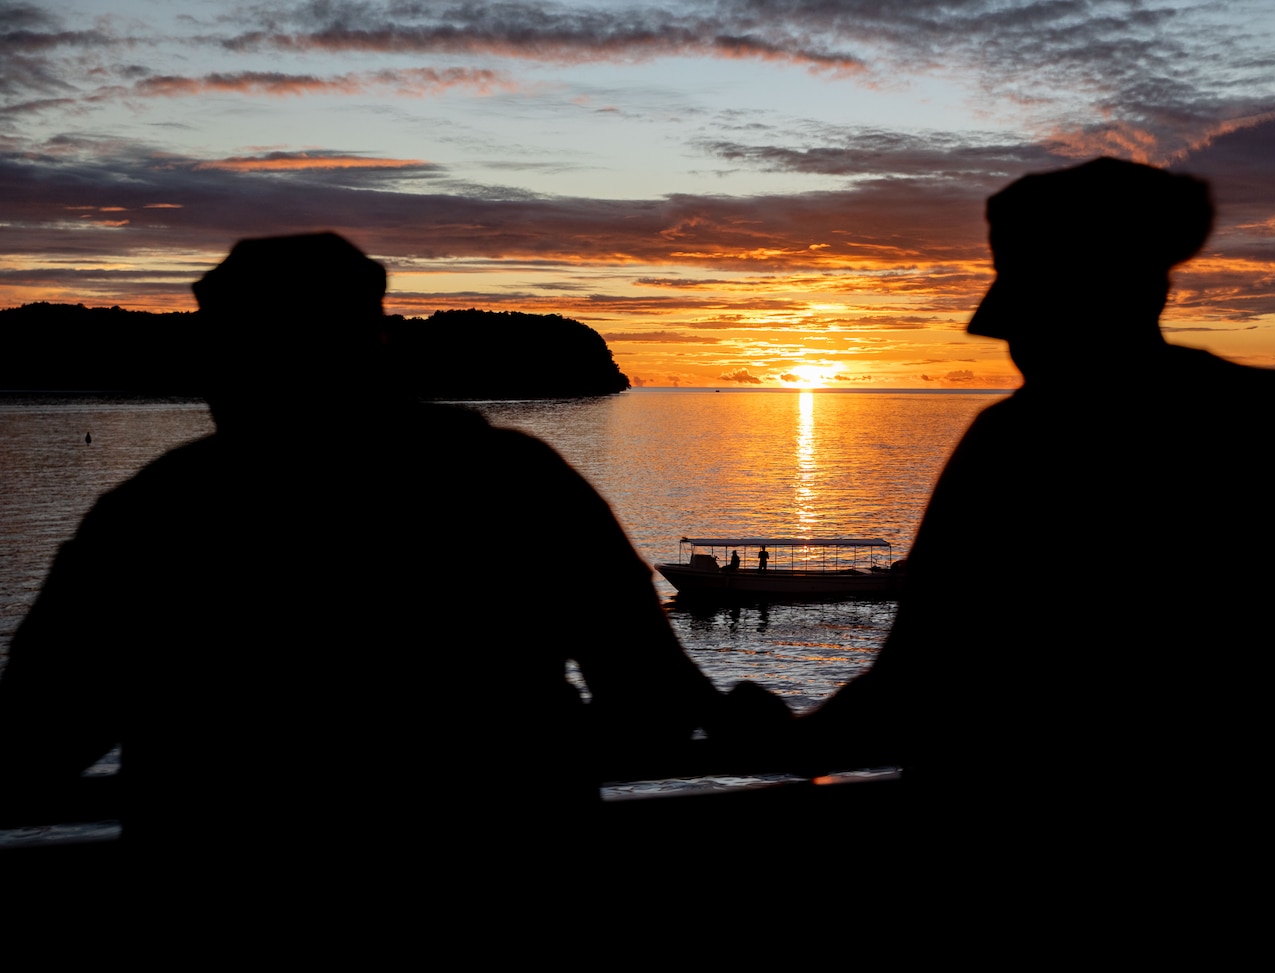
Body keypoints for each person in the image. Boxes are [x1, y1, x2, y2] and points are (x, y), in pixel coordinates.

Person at [0, 233, 772, 904]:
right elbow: (655, 701)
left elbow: (34, 743)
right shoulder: (517, 482)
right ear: (379, 344)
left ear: (230, 362)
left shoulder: (150, 518)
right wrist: (521, 755)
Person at [802, 158, 1275, 966]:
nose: (1013, 346)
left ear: (1086, 302)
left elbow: (911, 681)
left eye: (1028, 316)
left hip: (1028, 892)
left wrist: (795, 743)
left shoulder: (1014, 449)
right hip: (1249, 882)